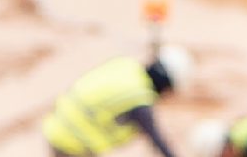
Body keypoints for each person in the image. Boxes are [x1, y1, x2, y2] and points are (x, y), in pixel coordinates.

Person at [44, 45, 196, 157]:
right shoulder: (138, 101)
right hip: (72, 144)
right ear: (167, 83)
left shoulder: (126, 66)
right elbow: (158, 142)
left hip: (56, 125)